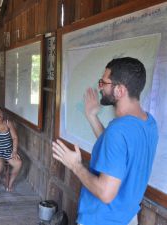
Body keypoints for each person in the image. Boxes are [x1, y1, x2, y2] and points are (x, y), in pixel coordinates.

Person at [52, 57, 158, 225]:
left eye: (104, 82)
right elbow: (116, 149)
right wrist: (92, 116)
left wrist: (75, 165)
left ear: (120, 90)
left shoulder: (118, 130)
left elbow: (105, 193)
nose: (99, 86)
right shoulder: (149, 123)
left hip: (101, 219)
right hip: (127, 217)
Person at [0, 105, 22, 192]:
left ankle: (9, 184)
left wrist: (14, 151)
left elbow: (15, 138)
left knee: (18, 163)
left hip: (8, 151)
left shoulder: (8, 123)